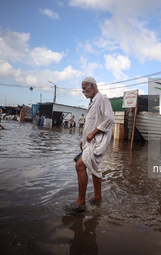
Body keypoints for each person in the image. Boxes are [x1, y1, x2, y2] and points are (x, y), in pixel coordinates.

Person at [68, 77, 114, 212]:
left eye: (84, 88)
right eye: (82, 88)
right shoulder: (93, 102)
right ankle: (97, 197)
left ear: (93, 86)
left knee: (80, 166)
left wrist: (93, 134)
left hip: (98, 141)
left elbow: (109, 119)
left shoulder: (102, 99)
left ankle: (81, 202)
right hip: (90, 141)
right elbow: (92, 123)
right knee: (94, 167)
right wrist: (84, 138)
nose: (83, 91)